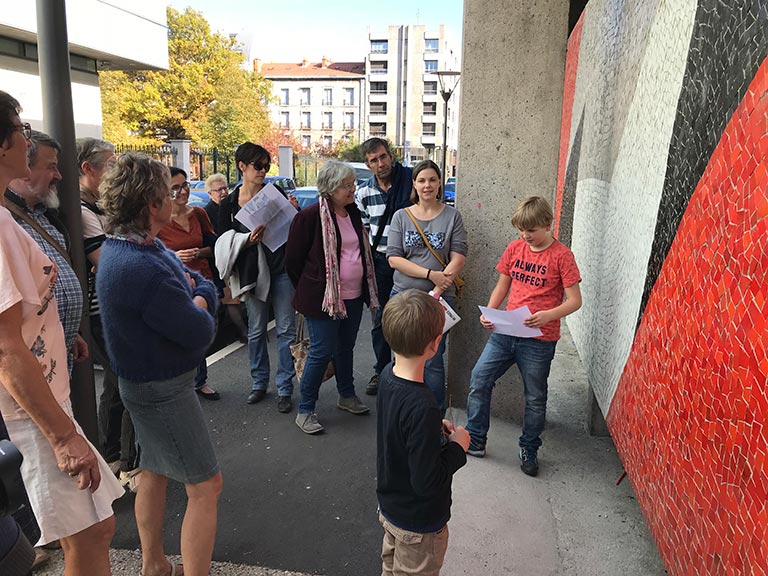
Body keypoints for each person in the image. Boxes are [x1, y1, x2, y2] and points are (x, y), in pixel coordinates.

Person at [0, 91, 123, 576]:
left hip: (45, 400)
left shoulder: (8, 217)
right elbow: (7, 348)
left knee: (93, 532)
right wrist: (63, 436)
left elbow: (22, 320)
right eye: (21, 128)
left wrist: (56, 329)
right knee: (91, 536)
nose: (26, 139)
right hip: (34, 414)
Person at [97, 153, 223, 576]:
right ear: (151, 204)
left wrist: (197, 290)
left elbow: (197, 283)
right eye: (167, 193)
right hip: (162, 387)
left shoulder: (132, 249)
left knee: (153, 469)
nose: (174, 199)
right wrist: (202, 297)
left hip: (145, 384)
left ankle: (154, 564)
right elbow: (199, 329)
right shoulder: (144, 264)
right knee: (206, 485)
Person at [465, 196, 582, 476]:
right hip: (505, 332)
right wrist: (490, 313)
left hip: (540, 339)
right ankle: (475, 438)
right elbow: (502, 286)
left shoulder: (562, 256)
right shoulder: (515, 248)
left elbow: (575, 301)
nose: (526, 236)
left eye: (531, 231)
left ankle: (529, 447)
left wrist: (548, 315)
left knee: (535, 398)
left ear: (547, 224)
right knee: (479, 379)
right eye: (521, 230)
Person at [376, 289, 470, 576]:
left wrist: (434, 429)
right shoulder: (423, 404)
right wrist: (457, 447)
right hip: (419, 524)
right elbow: (427, 482)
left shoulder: (386, 377)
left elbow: (398, 428)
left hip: (392, 508)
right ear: (435, 344)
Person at [286, 161, 379, 432]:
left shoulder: (353, 213)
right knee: (320, 351)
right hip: (323, 300)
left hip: (353, 295)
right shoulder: (310, 216)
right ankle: (305, 410)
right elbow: (292, 261)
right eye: (346, 185)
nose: (353, 189)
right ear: (329, 188)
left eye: (353, 184)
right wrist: (313, 288)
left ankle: (346, 395)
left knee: (344, 348)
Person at [216, 142, 298, 410]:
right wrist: (246, 241)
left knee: (286, 329)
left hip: (281, 268)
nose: (264, 171)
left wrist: (293, 212)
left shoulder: (275, 194)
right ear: (242, 166)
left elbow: (293, 229)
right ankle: (259, 383)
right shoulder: (228, 203)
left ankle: (285, 388)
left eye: (267, 165)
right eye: (258, 166)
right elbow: (222, 240)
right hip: (252, 273)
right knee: (256, 329)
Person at [76, 137, 137, 479]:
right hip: (99, 313)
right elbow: (107, 260)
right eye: (111, 165)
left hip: (107, 310)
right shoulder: (83, 212)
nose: (116, 171)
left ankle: (115, 457)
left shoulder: (99, 208)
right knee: (123, 385)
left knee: (117, 386)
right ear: (88, 169)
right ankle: (124, 462)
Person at [387, 160, 467, 412]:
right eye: (421, 180)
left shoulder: (453, 216)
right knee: (401, 358)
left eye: (432, 179)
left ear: (440, 182)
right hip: (403, 297)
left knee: (432, 360)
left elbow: (459, 255)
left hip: (438, 300)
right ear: (414, 184)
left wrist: (440, 286)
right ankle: (400, 411)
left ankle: (434, 417)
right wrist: (431, 274)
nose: (427, 185)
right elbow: (394, 258)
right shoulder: (402, 216)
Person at [5, 130, 88, 374]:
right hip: (28, 365)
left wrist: (70, 331)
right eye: (51, 167)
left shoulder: (48, 217)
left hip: (56, 349)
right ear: (25, 167)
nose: (59, 176)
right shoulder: (6, 221)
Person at [355, 137, 413, 396]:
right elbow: (364, 231)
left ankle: (409, 372)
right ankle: (381, 370)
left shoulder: (411, 180)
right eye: (373, 161)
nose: (380, 164)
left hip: (411, 262)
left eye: (383, 157)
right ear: (368, 165)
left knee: (411, 318)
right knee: (380, 320)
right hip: (379, 263)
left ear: (391, 155)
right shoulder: (363, 193)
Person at [158, 167, 220, 401]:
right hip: (176, 283)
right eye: (175, 188)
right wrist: (175, 256)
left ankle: (200, 380)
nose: (183, 191)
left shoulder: (200, 214)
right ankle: (185, 383)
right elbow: (151, 252)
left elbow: (214, 247)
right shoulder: (159, 220)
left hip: (203, 281)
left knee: (203, 332)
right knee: (181, 336)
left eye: (185, 185)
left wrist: (198, 252)